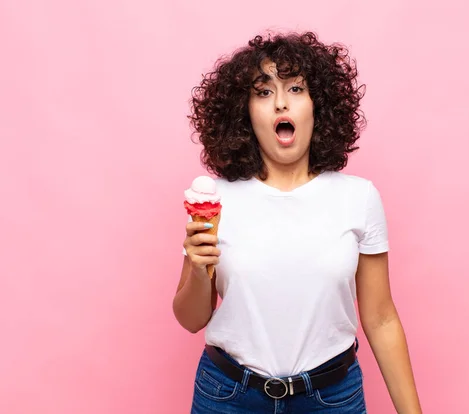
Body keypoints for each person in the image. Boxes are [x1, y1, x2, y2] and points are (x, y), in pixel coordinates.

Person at [173, 31, 422, 414]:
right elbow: (191, 320)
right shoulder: (215, 200)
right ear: (244, 112)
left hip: (331, 398)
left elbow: (382, 317)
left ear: (317, 106)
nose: (280, 103)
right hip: (227, 396)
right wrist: (196, 264)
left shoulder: (358, 197)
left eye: (295, 88)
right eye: (263, 92)